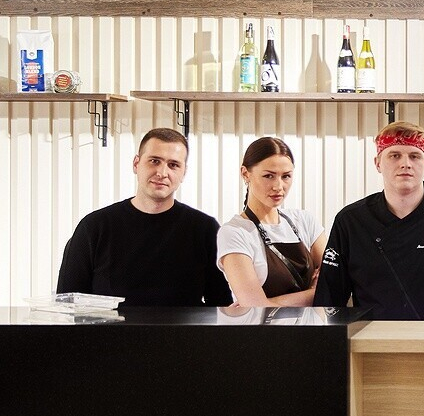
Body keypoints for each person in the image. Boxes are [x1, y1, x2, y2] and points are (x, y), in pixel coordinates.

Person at [313, 121, 424, 319]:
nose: (405, 164)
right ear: (377, 163)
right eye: (394, 155)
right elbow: (329, 298)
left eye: (415, 156)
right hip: (372, 336)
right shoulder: (350, 221)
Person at [56, 127, 231, 307]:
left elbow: (221, 306)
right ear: (136, 164)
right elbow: (67, 304)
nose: (162, 173)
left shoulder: (205, 230)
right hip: (110, 327)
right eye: (154, 161)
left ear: (183, 173)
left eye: (173, 165)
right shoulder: (94, 227)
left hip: (182, 327)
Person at [217, 137, 326, 306]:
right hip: (265, 326)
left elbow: (335, 286)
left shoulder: (305, 222)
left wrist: (269, 303)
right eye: (269, 176)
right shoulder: (235, 233)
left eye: (286, 176)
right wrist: (315, 293)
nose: (278, 186)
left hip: (315, 324)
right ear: (245, 174)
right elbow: (256, 309)